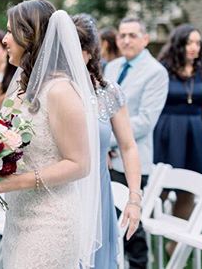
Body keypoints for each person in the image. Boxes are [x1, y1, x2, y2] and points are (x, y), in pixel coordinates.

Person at [0, 0, 102, 268]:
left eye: (10, 32)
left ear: (30, 36)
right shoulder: (21, 86)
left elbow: (80, 165)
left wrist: (14, 183)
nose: (6, 40)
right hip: (19, 214)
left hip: (51, 221)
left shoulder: (60, 91)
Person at [73, 14, 142, 269]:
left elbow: (128, 146)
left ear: (91, 52)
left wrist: (134, 199)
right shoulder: (54, 90)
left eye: (76, 49)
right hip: (63, 193)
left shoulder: (108, 92)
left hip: (98, 192)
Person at [104, 17, 169, 269]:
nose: (126, 40)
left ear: (145, 38)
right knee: (110, 217)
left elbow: (145, 121)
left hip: (133, 158)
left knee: (131, 220)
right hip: (107, 158)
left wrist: (106, 141)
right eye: (122, 35)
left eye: (132, 35)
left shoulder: (156, 72)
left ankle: (140, 265)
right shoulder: (112, 67)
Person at [154, 24, 202, 224]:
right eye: (189, 42)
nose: (194, 47)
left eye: (198, 43)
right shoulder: (162, 69)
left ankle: (175, 246)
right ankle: (147, 234)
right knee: (160, 185)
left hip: (195, 131)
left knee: (189, 187)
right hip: (168, 130)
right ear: (179, 44)